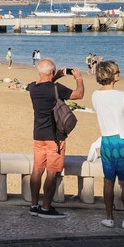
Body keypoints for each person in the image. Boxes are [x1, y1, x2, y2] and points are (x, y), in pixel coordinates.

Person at [27, 59, 84, 219]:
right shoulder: (56, 88)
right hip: (54, 137)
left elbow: (46, 85)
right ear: (51, 72)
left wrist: (56, 75)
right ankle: (46, 208)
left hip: (38, 135)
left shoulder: (33, 88)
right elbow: (78, 95)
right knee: (52, 173)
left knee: (37, 170)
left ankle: (34, 205)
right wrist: (79, 78)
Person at [91, 61, 124, 229]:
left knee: (108, 181)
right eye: (117, 72)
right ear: (110, 75)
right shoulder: (123, 95)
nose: (119, 73)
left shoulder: (95, 95)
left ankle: (109, 217)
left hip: (107, 140)